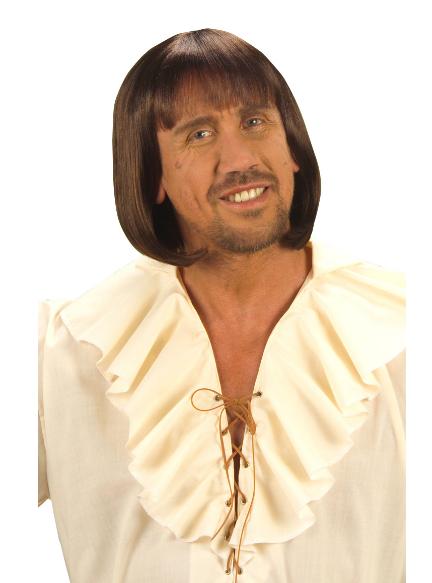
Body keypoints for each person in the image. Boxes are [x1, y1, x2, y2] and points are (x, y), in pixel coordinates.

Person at [38, 29, 405, 583]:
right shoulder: (64, 349)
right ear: (154, 176)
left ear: (293, 150)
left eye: (255, 122)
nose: (240, 159)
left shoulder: (400, 332)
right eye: (199, 134)